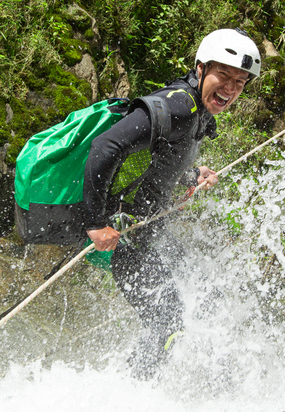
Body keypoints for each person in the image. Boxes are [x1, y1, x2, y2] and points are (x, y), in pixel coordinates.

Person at [81, 28, 261, 378]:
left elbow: (159, 160)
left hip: (148, 234)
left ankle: (142, 381)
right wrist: (94, 222)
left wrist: (192, 175)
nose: (230, 88)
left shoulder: (197, 110)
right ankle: (134, 393)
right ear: (200, 69)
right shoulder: (179, 105)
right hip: (126, 238)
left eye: (239, 82)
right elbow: (105, 147)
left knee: (206, 296)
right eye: (222, 75)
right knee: (169, 322)